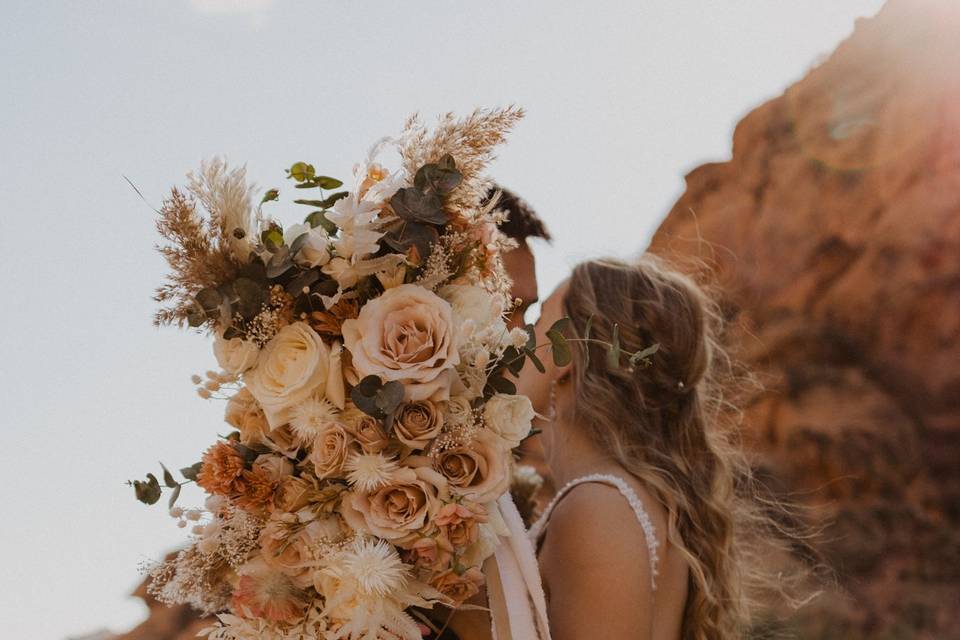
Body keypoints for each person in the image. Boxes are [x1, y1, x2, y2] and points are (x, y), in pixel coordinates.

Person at [518, 256, 788, 639]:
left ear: (568, 356)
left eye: (539, 320)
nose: (521, 336)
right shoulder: (618, 502)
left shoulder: (598, 510)